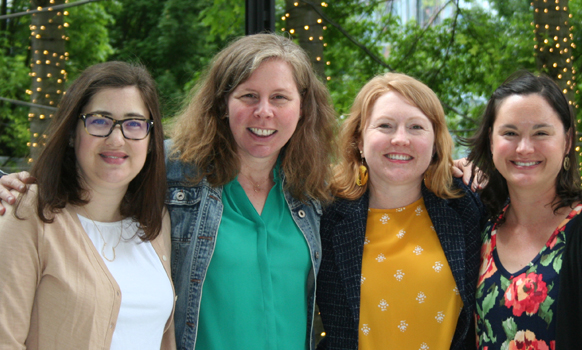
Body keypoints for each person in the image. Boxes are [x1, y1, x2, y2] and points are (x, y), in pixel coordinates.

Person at [0, 34, 335, 350]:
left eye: (280, 97)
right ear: (222, 103)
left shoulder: (313, 191)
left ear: (303, 107)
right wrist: (10, 184)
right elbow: (104, 163)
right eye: (248, 96)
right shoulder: (173, 171)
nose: (264, 111)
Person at [0, 61, 175, 349]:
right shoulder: (29, 214)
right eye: (99, 121)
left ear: (151, 140)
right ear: (72, 133)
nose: (116, 139)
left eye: (133, 124)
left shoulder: (155, 222)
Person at [316, 72, 484, 350]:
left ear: (435, 143)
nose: (400, 139)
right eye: (385, 125)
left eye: (416, 127)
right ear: (359, 140)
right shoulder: (326, 215)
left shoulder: (465, 204)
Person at [467, 71, 582, 349]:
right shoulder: (476, 227)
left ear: (567, 140)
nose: (525, 147)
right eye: (510, 133)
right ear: (491, 141)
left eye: (541, 132)